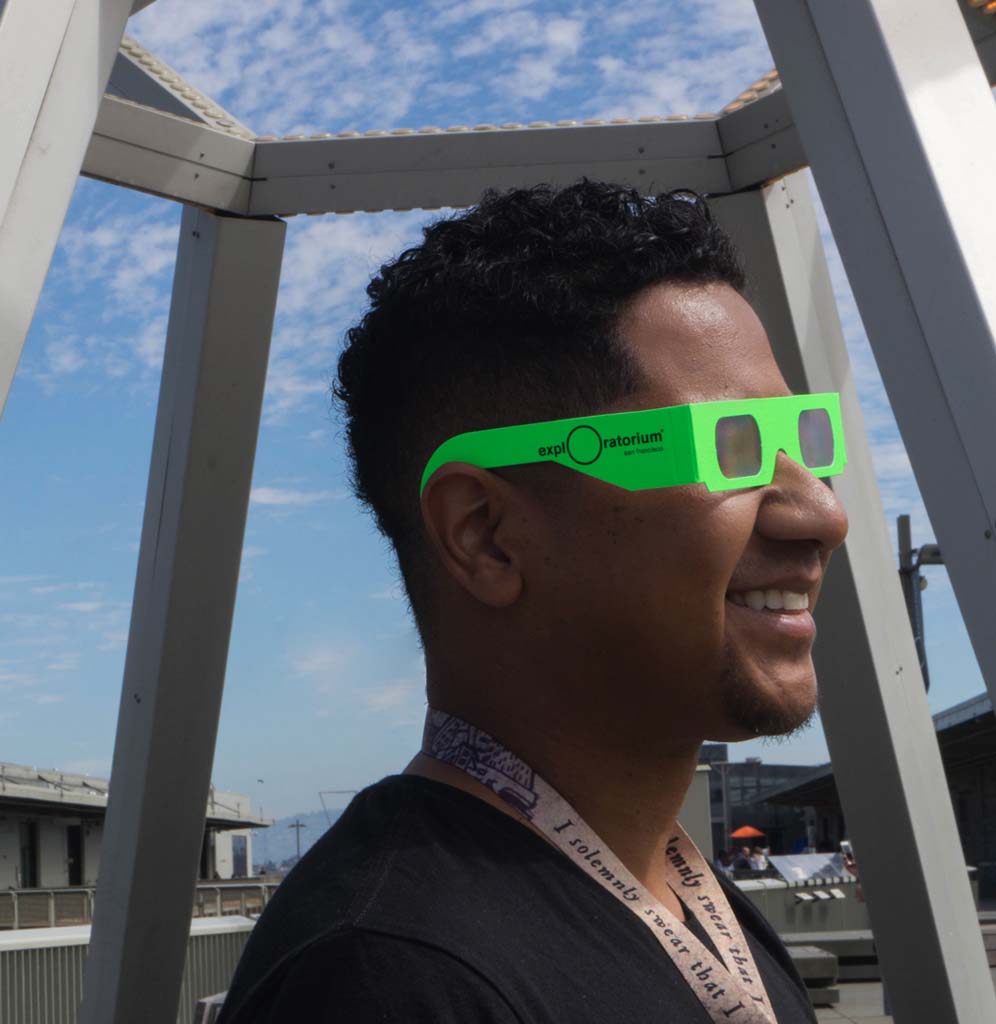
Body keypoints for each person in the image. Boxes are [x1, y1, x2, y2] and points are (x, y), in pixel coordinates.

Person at [217, 181, 848, 1023]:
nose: (823, 513)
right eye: (730, 445)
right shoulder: (390, 980)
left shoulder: (691, 906)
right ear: (485, 535)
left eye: (805, 438)